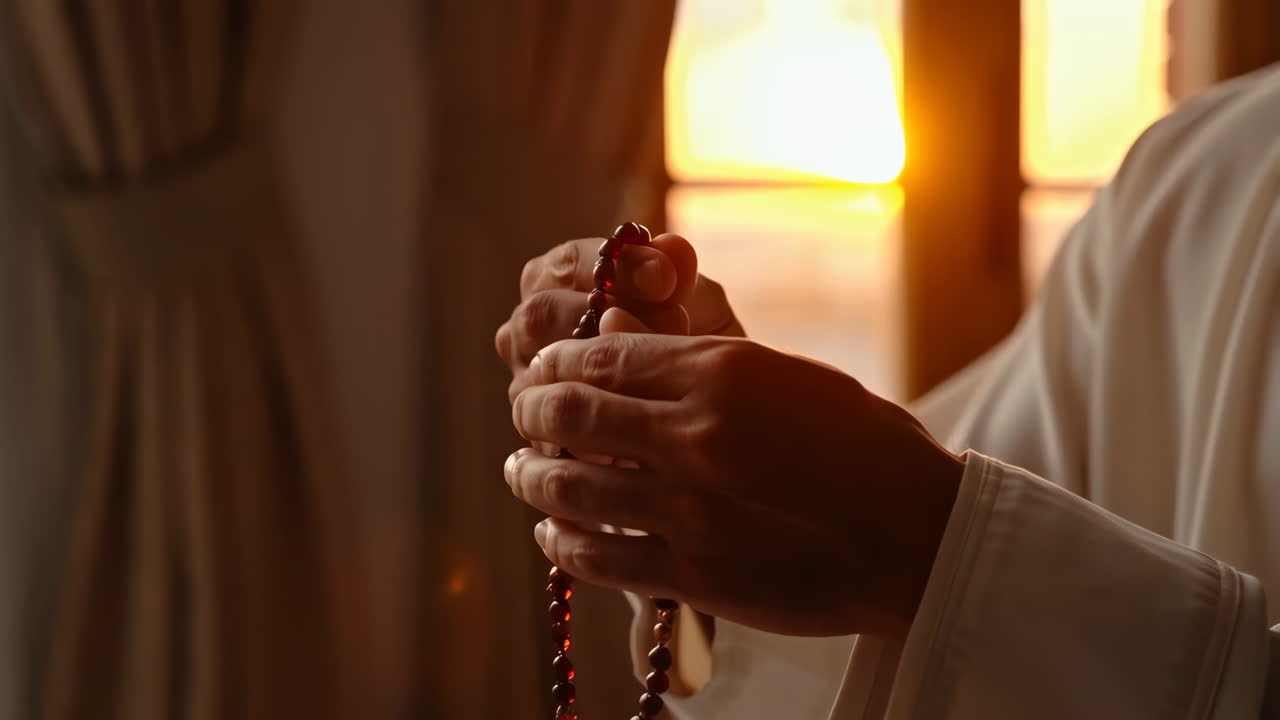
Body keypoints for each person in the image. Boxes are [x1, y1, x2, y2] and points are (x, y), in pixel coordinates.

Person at [494, 64, 1280, 719]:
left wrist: (928, 554)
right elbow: (940, 505)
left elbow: (934, 536)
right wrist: (685, 469)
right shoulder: (1194, 176)